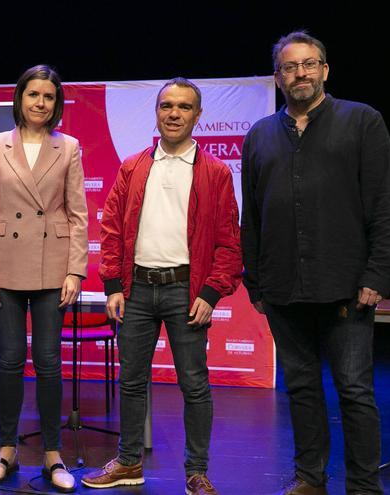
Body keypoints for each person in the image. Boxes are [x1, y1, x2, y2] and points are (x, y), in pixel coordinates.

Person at [240, 31, 390, 495]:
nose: (301, 73)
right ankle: (311, 480)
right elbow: (250, 217)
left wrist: (377, 274)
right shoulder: (259, 135)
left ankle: (363, 487)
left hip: (348, 287)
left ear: (325, 70)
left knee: (354, 392)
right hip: (283, 288)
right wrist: (255, 283)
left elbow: (388, 207)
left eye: (310, 64)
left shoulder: (362, 122)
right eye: (291, 67)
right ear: (278, 77)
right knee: (302, 390)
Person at [81, 78, 241, 495]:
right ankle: (129, 463)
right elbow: (112, 226)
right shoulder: (134, 166)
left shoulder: (216, 172)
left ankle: (197, 472)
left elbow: (228, 240)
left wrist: (210, 293)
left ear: (198, 116)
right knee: (132, 382)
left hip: (185, 290)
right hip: (136, 290)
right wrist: (113, 284)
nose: (174, 113)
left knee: (194, 384)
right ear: (156, 112)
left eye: (184, 107)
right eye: (167, 105)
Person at [0, 64, 88, 493]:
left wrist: (76, 269)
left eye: (49, 97)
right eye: (33, 94)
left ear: (57, 104)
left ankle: (54, 454)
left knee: (51, 362)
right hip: (4, 265)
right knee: (10, 360)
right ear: (20, 98)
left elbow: (77, 213)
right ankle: (6, 449)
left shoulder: (69, 147)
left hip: (52, 265)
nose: (40, 103)